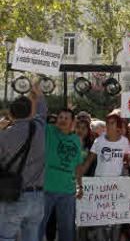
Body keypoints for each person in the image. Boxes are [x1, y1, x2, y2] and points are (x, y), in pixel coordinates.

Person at [0, 83, 47, 241]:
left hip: (13, 194)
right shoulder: (40, 129)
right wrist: (37, 94)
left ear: (11, 115)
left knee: (6, 237)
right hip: (38, 196)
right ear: (30, 112)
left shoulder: (4, 136)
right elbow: (42, 112)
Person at [80, 113, 130, 241]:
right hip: (100, 185)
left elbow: (127, 161)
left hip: (116, 186)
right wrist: (79, 177)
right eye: (107, 122)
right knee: (100, 220)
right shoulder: (99, 140)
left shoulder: (124, 141)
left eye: (112, 123)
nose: (108, 125)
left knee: (116, 221)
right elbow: (89, 161)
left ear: (118, 127)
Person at [39, 108, 83, 241]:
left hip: (68, 192)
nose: (62, 120)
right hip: (46, 190)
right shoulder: (49, 131)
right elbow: (39, 117)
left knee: (67, 229)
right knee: (38, 226)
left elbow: (78, 166)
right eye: (60, 117)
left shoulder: (76, 139)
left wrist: (79, 186)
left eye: (66, 118)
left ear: (72, 122)